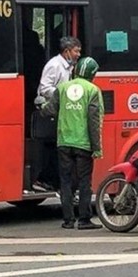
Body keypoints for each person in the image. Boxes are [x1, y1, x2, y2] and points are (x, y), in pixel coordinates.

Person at [38, 57, 103, 230]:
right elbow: (94, 122)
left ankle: (68, 220)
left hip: (64, 142)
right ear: (92, 74)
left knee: (65, 181)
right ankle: (84, 220)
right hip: (83, 144)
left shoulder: (62, 88)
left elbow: (49, 110)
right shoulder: (93, 91)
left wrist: (41, 106)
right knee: (84, 182)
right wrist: (97, 148)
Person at [33, 36, 83, 192]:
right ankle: (45, 180)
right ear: (67, 51)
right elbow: (44, 88)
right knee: (56, 149)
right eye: (76, 51)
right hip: (52, 113)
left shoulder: (68, 66)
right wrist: (63, 93)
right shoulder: (54, 65)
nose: (78, 54)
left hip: (62, 112)